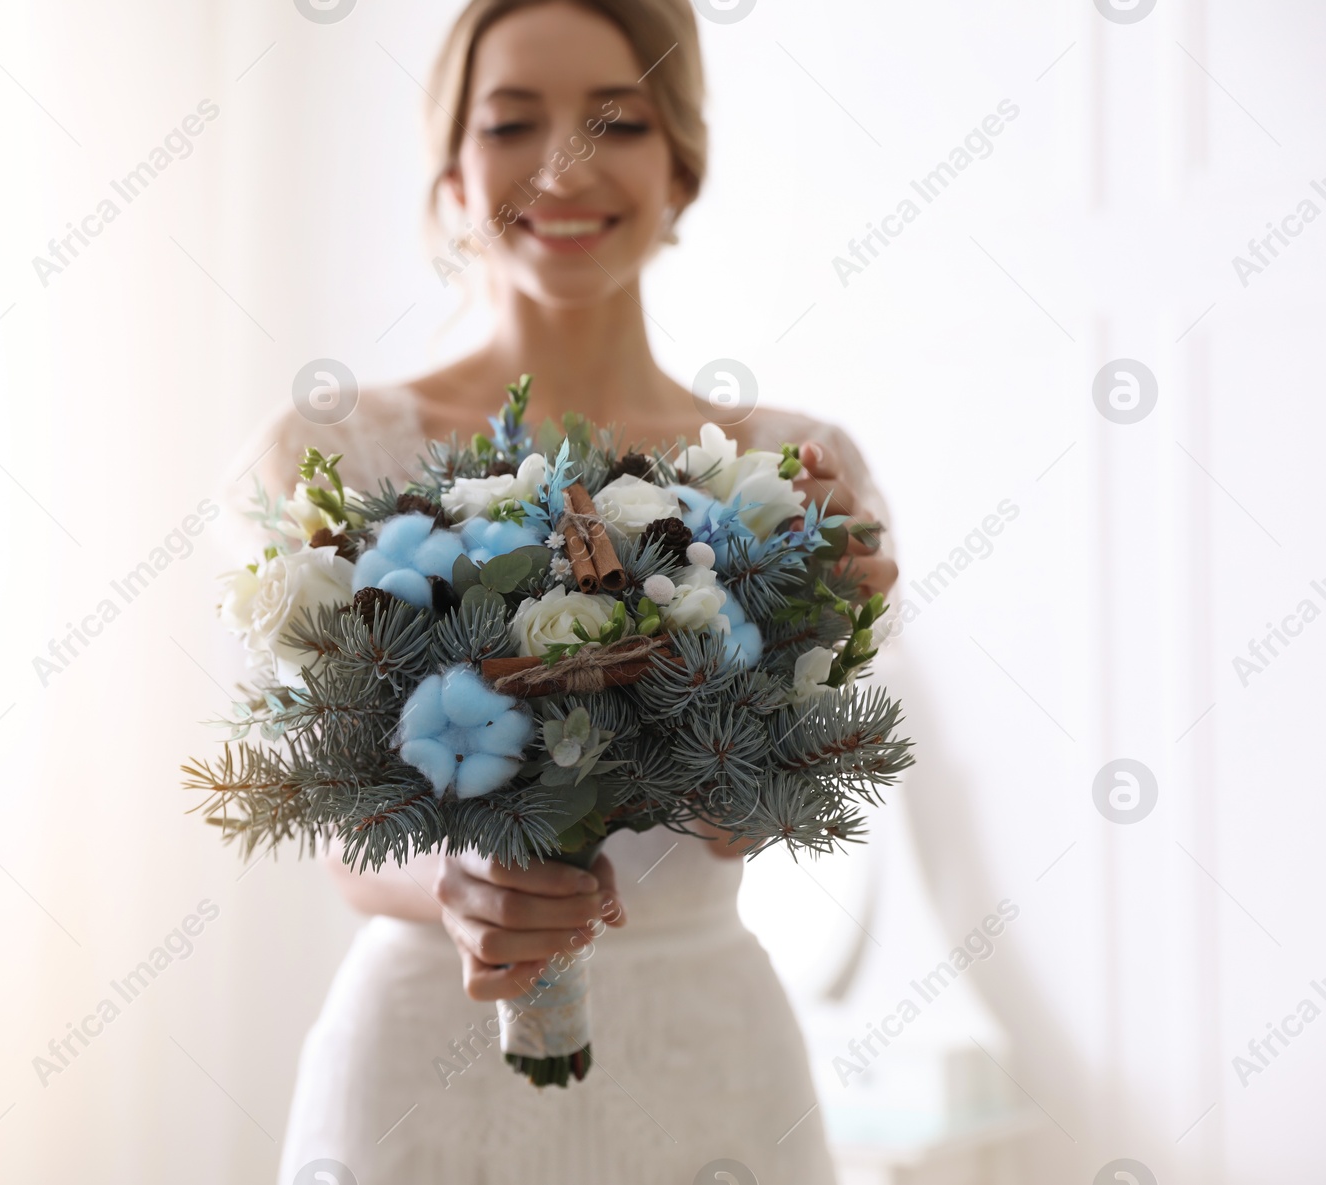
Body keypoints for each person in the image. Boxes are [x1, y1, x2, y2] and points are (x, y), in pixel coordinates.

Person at [229, 2, 897, 1180]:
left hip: (706, 1064)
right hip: (417, 1079)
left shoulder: (795, 472)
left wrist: (817, 643)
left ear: (680, 167)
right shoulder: (336, 453)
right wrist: (451, 879)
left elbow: (759, 822)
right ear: (449, 171)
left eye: (617, 121)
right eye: (511, 122)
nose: (562, 167)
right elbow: (333, 824)